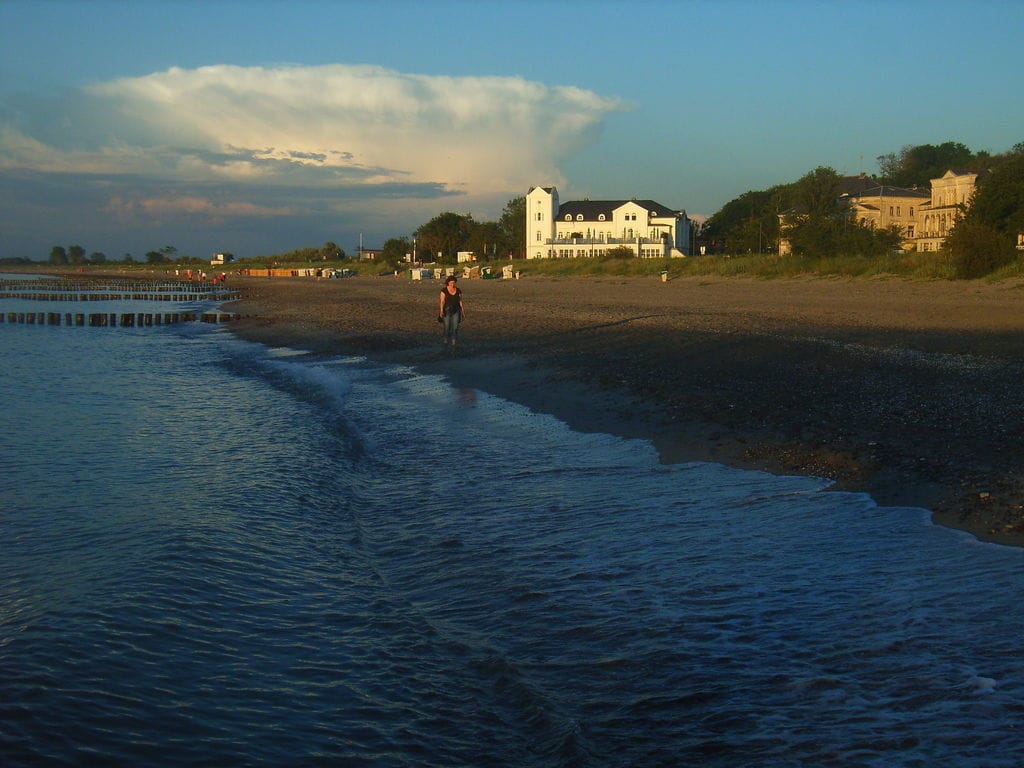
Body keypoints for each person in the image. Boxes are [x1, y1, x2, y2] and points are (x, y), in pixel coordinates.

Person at [438, 275, 465, 349]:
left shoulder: (458, 290)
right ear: (448, 283)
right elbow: (442, 301)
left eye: (453, 283)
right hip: (446, 311)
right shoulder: (444, 290)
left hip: (456, 310)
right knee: (446, 327)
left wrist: (462, 311)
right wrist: (441, 311)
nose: (452, 284)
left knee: (455, 327)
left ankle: (453, 342)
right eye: (451, 283)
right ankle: (445, 341)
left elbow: (460, 301)